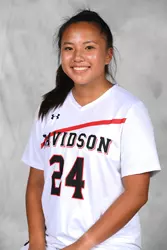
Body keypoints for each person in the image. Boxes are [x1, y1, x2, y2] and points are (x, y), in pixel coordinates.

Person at [20, 9, 161, 250]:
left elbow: (137, 193)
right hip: (53, 243)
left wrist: (80, 246)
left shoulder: (129, 110)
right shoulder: (49, 108)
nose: (77, 57)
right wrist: (36, 243)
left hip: (111, 244)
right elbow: (35, 184)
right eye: (68, 48)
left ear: (108, 55)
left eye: (88, 47)